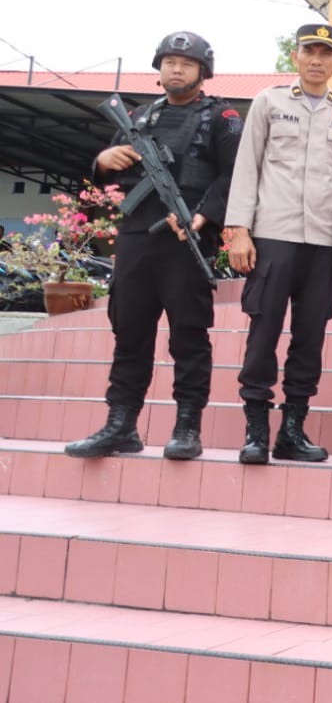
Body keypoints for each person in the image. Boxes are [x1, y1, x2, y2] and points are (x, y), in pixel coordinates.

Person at [65, 31, 241, 461]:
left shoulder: (222, 118)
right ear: (159, 69)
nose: (176, 68)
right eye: (169, 62)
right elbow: (109, 165)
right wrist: (101, 162)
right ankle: (121, 425)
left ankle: (187, 426)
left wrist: (204, 216)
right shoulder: (140, 116)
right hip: (136, 239)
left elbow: (233, 175)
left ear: (203, 72)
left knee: (189, 336)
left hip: (186, 239)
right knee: (129, 333)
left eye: (186, 63)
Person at [225, 23, 332, 464]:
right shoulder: (270, 101)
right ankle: (256, 432)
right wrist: (239, 229)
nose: (316, 60)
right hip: (272, 236)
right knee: (263, 332)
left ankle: (293, 431)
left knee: (310, 338)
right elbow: (247, 167)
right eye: (309, 51)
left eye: (326, 53)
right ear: (296, 57)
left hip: (322, 242)